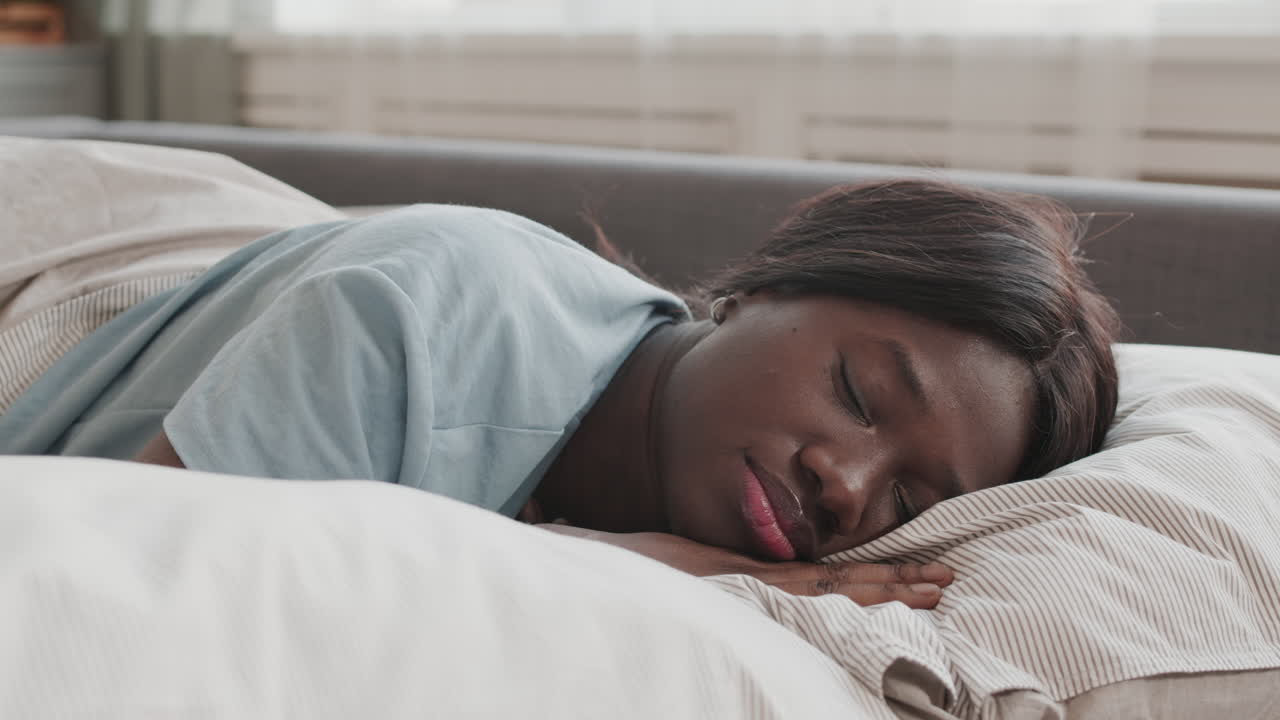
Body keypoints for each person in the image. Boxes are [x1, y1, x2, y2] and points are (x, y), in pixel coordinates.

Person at [0, 178, 1119, 608]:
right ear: (762, 287)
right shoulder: (423, 311)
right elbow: (150, 592)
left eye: (909, 498)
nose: (845, 483)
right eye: (857, 393)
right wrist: (619, 566)